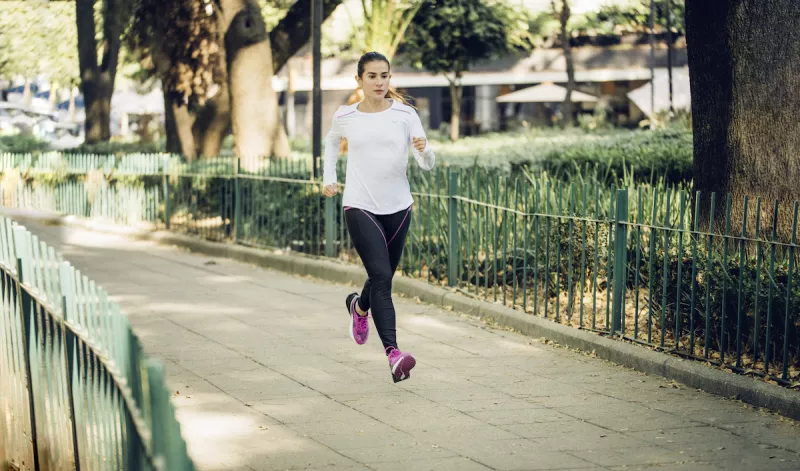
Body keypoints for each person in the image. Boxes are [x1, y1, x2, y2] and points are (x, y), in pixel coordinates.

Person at [321, 51, 435, 383]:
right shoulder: (346, 115)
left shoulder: (405, 114)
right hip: (359, 204)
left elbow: (427, 163)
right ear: (359, 80)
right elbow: (331, 144)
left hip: (399, 207)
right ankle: (394, 355)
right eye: (371, 76)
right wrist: (330, 176)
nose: (379, 82)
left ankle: (359, 307)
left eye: (384, 76)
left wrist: (425, 149)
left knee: (381, 276)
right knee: (382, 278)